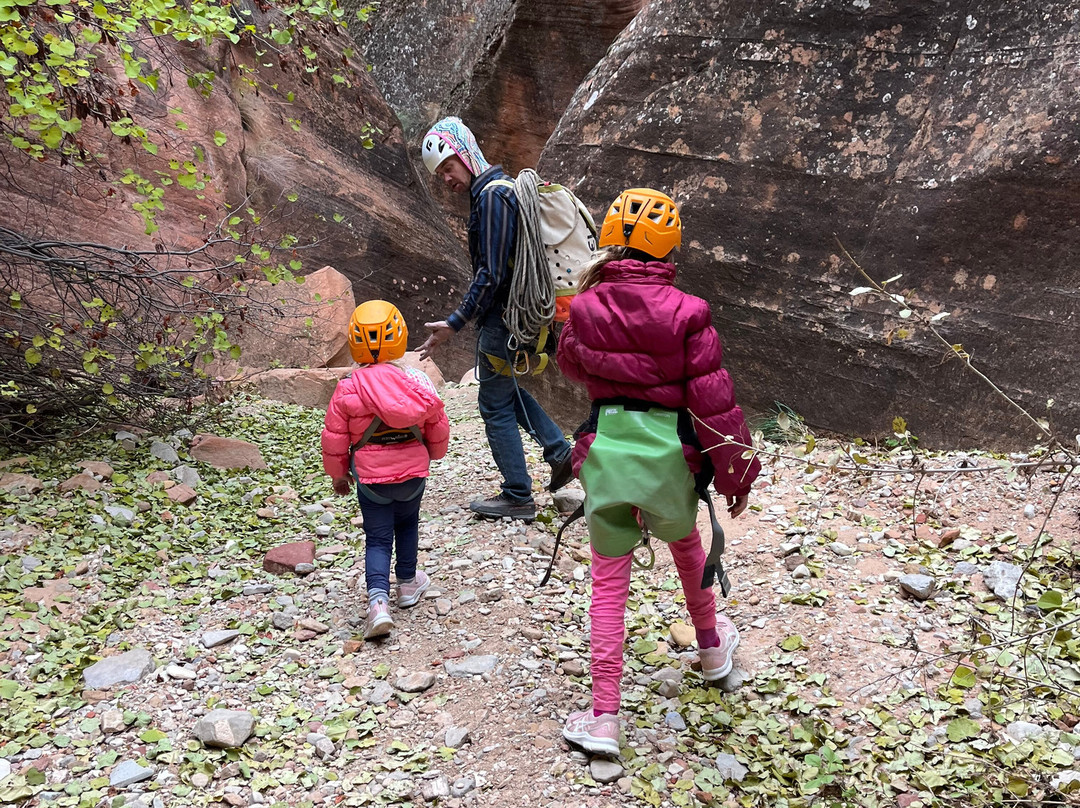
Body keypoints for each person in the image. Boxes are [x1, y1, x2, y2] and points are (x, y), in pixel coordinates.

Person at [554, 188, 762, 756]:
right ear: (669, 248)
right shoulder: (690, 313)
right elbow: (714, 403)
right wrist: (735, 475)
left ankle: (603, 718)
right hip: (670, 457)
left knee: (608, 582)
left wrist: (578, 312)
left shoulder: (585, 306)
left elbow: (572, 364)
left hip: (607, 454)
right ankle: (713, 650)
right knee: (688, 546)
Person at [417, 116, 572, 522]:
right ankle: (559, 452)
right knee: (502, 390)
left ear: (466, 153)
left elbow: (491, 274)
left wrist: (455, 321)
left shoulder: (491, 198)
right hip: (514, 316)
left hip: (502, 320)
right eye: (441, 174)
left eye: (448, 168)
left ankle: (517, 494)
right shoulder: (497, 193)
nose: (447, 179)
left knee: (493, 404)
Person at [321, 300, 450, 640]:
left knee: (378, 539)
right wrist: (434, 454)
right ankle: (407, 585)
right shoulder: (416, 381)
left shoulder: (348, 386)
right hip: (412, 475)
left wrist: (338, 474)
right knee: (408, 525)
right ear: (400, 335)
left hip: (371, 479)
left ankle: (378, 603)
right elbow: (437, 423)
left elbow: (334, 438)